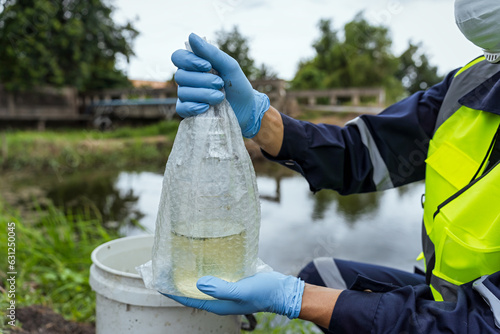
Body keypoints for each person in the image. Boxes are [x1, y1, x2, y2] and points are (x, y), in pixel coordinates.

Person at [164, 0, 500, 332]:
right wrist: (258, 118)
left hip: (475, 319)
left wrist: (296, 300)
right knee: (321, 277)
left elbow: (480, 324)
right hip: (444, 291)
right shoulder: (469, 84)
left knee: (322, 298)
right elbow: (363, 153)